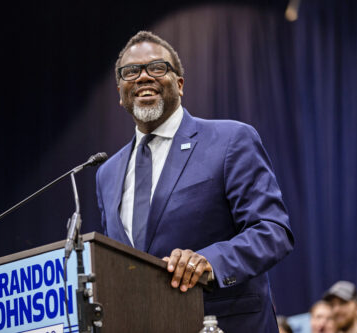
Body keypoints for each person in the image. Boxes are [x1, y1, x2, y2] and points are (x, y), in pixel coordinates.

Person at [95, 30, 294, 332]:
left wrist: (211, 261)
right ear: (121, 92)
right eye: (131, 71)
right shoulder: (106, 173)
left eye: (157, 67)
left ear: (180, 84)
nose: (143, 77)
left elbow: (272, 231)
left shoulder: (230, 139)